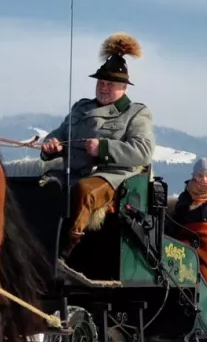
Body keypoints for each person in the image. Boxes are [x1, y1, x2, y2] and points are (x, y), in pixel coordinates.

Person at [39, 33, 155, 256]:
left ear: (124, 87)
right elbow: (61, 133)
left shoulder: (136, 113)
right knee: (41, 187)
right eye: (101, 82)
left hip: (112, 177)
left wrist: (103, 149)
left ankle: (67, 251)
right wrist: (51, 144)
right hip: (73, 172)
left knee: (86, 191)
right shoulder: (81, 108)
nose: (103, 88)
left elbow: (144, 152)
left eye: (110, 84)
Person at [166, 156, 207, 284]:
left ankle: (204, 284)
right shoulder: (188, 194)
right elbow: (179, 215)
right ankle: (179, 283)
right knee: (177, 252)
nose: (204, 179)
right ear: (194, 176)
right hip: (187, 231)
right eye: (200, 175)